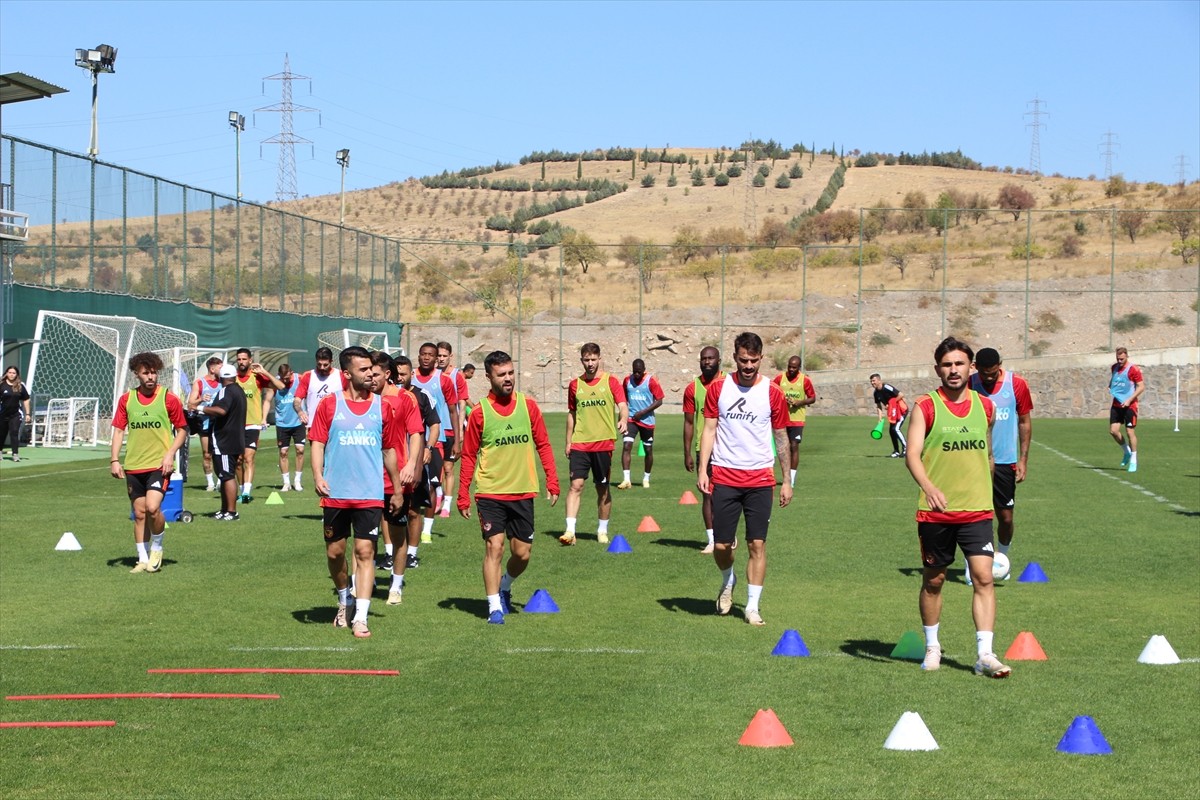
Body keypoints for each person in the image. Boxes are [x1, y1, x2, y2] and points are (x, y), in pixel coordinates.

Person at [905, 336, 1011, 678]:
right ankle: (933, 647)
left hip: (977, 512)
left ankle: (985, 654)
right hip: (936, 513)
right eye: (947, 364)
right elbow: (912, 455)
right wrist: (930, 487)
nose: (953, 370)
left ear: (972, 368)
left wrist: (987, 489)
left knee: (984, 578)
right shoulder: (926, 407)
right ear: (938, 369)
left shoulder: (987, 408)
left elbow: (989, 456)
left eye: (959, 364)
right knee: (934, 581)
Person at [308, 346, 414, 639]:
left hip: (370, 492)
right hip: (336, 491)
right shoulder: (329, 405)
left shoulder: (383, 407)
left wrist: (395, 489)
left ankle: (361, 618)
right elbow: (317, 442)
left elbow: (389, 449)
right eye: (364, 370)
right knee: (335, 552)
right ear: (347, 373)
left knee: (365, 551)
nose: (371, 374)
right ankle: (345, 599)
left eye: (371, 369)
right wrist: (317, 475)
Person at [458, 351, 560, 624]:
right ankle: (494, 607)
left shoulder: (529, 406)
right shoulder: (479, 412)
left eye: (511, 373)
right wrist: (462, 495)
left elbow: (544, 444)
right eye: (501, 375)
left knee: (522, 553)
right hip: (490, 492)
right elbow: (468, 455)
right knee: (495, 547)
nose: (508, 379)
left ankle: (505, 585)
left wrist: (552, 480)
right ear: (488, 377)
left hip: (523, 490)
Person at [697, 332, 792, 626]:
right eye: (742, 360)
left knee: (757, 545)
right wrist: (703, 469)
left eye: (753, 360)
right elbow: (709, 430)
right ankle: (728, 579)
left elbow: (782, 438)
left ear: (761, 358)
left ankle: (752, 606)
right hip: (724, 476)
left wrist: (786, 479)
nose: (748, 366)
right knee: (723, 546)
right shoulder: (718, 389)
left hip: (761, 479)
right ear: (734, 358)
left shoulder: (773, 393)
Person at [109, 352, 188, 573]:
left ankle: (157, 546)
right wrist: (115, 460)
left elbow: (182, 430)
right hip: (134, 465)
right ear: (137, 374)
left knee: (153, 508)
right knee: (139, 512)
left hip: (159, 465)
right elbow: (118, 431)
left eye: (153, 372)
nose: (151, 377)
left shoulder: (168, 398)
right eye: (146, 373)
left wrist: (170, 453)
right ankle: (142, 559)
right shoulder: (127, 399)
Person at [367, 351, 425, 606]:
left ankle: (396, 585)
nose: (370, 378)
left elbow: (415, 433)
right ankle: (364, 582)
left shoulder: (405, 398)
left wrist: (412, 464)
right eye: (367, 373)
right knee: (366, 536)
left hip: (396, 478)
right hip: (366, 478)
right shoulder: (362, 399)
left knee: (398, 533)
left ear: (387, 374)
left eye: (375, 374)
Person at [970, 348, 1032, 578]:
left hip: (1006, 462)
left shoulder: (1017, 384)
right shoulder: (969, 385)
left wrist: (1023, 459)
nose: (988, 377)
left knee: (1005, 518)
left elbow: (1024, 422)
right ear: (976, 367)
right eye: (984, 372)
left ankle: (1002, 558)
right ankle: (973, 567)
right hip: (975, 461)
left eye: (993, 372)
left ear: (1000, 366)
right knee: (976, 515)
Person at [562, 342, 628, 546]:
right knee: (576, 485)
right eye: (586, 360)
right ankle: (570, 531)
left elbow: (623, 405)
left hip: (603, 444)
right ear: (581, 360)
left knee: (603, 489)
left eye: (593, 359)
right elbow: (572, 414)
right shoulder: (575, 385)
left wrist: (623, 419)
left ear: (599, 359)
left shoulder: (611, 381)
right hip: (580, 443)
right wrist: (568, 441)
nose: (590, 364)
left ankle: (602, 529)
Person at [391, 355, 441, 592]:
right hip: (392, 459)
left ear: (412, 373)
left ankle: (411, 553)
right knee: (389, 507)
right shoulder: (386, 396)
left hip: (415, 460)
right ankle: (391, 553)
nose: (400, 377)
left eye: (404, 373)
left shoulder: (422, 396)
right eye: (396, 373)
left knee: (413, 509)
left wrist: (428, 449)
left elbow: (434, 424)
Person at [412, 342, 460, 542]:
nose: (426, 358)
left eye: (430, 355)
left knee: (432, 484)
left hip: (436, 439)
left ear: (435, 358)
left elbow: (452, 410)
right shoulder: (409, 377)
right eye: (423, 354)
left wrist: (457, 439)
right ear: (419, 356)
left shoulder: (444, 380)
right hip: (410, 438)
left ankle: (426, 531)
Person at [683, 346, 724, 554]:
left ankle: (726, 535)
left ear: (719, 360)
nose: (707, 362)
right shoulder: (692, 388)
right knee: (707, 494)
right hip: (704, 450)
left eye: (711, 358)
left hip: (728, 450)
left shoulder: (730, 383)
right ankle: (712, 540)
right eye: (704, 359)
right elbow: (689, 422)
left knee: (726, 495)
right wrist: (687, 452)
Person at [233, 348, 283, 503]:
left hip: (252, 424)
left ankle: (247, 492)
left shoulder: (257, 377)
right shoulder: (231, 378)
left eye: (244, 359)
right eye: (239, 359)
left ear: (249, 360)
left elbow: (280, 386)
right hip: (235, 425)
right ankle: (242, 491)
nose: (241, 362)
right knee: (238, 460)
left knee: (248, 457)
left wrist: (265, 372)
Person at [201, 364, 247, 520]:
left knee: (227, 476)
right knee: (223, 475)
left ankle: (232, 512)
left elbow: (221, 410)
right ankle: (224, 509)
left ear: (221, 378)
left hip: (224, 441)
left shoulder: (225, 391)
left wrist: (201, 409)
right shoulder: (239, 391)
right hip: (234, 439)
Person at [436, 341, 470, 518]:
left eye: (444, 356)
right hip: (434, 430)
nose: (441, 359)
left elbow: (462, 405)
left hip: (450, 429)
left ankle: (447, 504)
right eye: (439, 355)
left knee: (448, 468)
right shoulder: (431, 376)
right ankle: (438, 495)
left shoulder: (457, 376)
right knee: (435, 469)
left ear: (450, 356)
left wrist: (461, 430)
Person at [618, 358, 664, 489]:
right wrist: (621, 418)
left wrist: (643, 412)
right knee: (627, 446)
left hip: (647, 421)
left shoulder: (651, 381)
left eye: (639, 372)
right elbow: (624, 401)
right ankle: (626, 479)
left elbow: (659, 400)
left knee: (648, 450)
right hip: (631, 419)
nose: (636, 375)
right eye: (634, 372)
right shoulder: (627, 380)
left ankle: (646, 478)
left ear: (644, 370)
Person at [772, 355, 817, 487]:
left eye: (794, 367)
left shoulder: (805, 380)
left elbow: (812, 398)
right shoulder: (780, 378)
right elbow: (771, 391)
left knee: (794, 446)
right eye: (789, 367)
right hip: (781, 418)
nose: (791, 369)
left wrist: (799, 402)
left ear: (799, 367)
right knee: (781, 448)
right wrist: (781, 400)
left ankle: (791, 478)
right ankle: (780, 475)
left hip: (797, 420)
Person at [185, 357, 223, 490]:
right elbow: (190, 404)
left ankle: (221, 480)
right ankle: (210, 483)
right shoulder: (199, 383)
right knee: (207, 453)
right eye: (220, 367)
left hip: (220, 421)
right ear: (212, 369)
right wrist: (201, 399)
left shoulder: (223, 382)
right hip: (205, 422)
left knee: (221, 452)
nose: (222, 370)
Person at [1109, 346, 1145, 473]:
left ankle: (1134, 460)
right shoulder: (1114, 368)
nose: (1119, 361)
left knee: (1130, 432)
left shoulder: (1133, 369)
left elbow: (1141, 387)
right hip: (1117, 405)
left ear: (1127, 356)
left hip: (1130, 406)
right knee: (1113, 431)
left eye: (1122, 359)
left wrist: (1129, 400)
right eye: (1118, 358)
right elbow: (1114, 382)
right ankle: (1127, 452)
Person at [293, 347, 345, 430]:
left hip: (337, 425)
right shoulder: (308, 376)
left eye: (325, 365)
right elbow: (297, 400)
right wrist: (300, 412)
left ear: (331, 362)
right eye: (319, 364)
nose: (322, 367)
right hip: (314, 425)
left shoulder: (341, 375)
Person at [274, 364, 305, 491]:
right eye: (282, 378)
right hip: (282, 423)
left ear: (291, 373)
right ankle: (286, 482)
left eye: (287, 378)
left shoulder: (300, 379)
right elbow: (267, 398)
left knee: (300, 450)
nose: (285, 381)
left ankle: (297, 481)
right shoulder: (275, 382)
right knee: (283, 452)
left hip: (298, 421)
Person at [870, 373, 908, 457]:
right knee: (891, 431)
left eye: (874, 380)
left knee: (896, 429)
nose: (872, 383)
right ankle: (896, 451)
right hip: (893, 412)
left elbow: (901, 394)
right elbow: (879, 406)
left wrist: (891, 404)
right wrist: (879, 418)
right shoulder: (876, 393)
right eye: (871, 381)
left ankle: (906, 449)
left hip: (901, 410)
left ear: (879, 380)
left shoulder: (887, 387)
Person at [0, 366, 31, 462]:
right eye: (10, 372)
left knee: (14, 433)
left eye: (13, 373)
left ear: (16, 374)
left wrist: (28, 414)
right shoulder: (2, 385)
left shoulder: (20, 386)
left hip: (15, 414)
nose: (11, 374)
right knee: (1, 434)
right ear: (6, 373)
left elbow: (26, 399)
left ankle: (15, 454)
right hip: (2, 414)